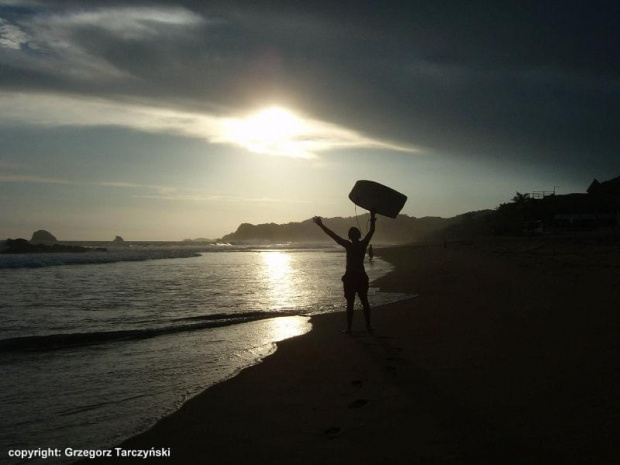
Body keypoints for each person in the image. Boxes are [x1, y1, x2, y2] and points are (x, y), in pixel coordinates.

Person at [313, 211, 377, 333]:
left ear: (349, 236)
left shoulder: (348, 245)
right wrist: (372, 216)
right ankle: (368, 326)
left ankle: (349, 328)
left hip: (350, 277)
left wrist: (321, 225)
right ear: (358, 235)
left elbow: (333, 235)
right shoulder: (363, 244)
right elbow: (372, 231)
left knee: (350, 303)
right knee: (365, 301)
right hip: (361, 276)